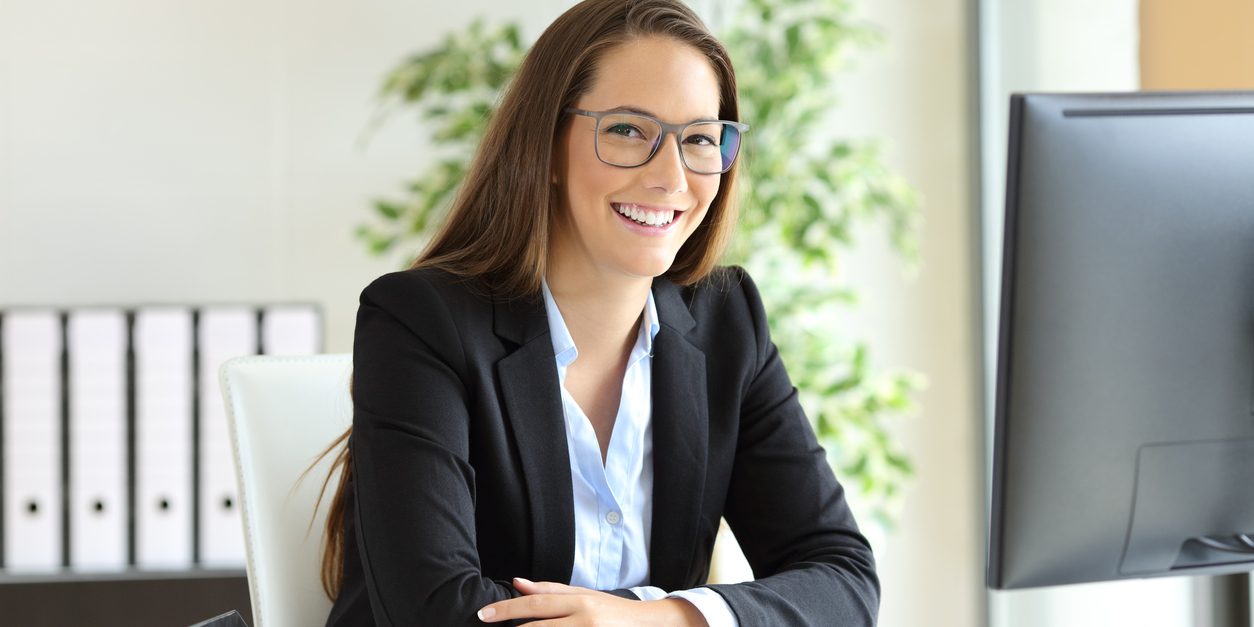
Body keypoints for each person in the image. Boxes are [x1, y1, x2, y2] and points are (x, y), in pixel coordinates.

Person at [318, 0, 878, 624]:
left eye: (698, 139)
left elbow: (842, 580)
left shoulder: (727, 322)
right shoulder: (422, 322)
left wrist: (662, 620)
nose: (671, 177)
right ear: (548, 146)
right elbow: (435, 610)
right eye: (627, 130)